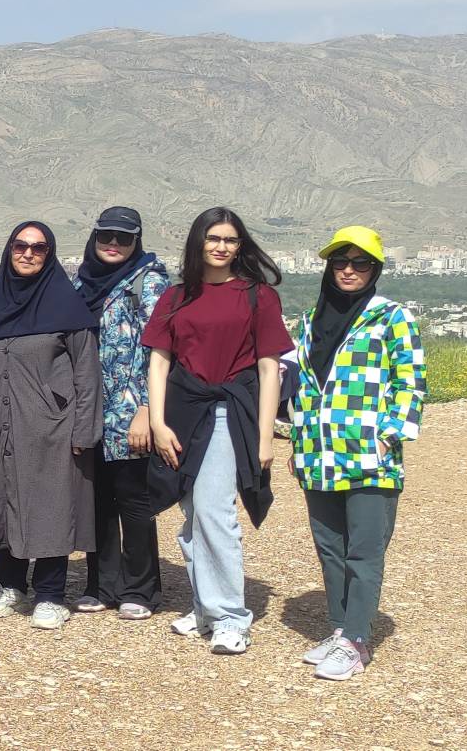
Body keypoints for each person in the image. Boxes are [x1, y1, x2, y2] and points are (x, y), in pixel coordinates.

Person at [143, 207, 292, 656]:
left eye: (230, 239)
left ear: (240, 245)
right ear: (198, 242)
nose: (221, 246)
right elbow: (159, 362)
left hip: (229, 411)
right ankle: (205, 607)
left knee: (214, 511)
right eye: (213, 238)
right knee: (192, 513)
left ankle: (230, 617)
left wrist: (264, 437)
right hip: (181, 412)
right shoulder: (175, 297)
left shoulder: (258, 296)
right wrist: (157, 422)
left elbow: (269, 370)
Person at [285, 226, 426, 680]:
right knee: (331, 549)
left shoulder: (392, 317)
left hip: (370, 458)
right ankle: (340, 628)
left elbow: (411, 382)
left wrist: (389, 436)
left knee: (364, 550)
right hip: (319, 455)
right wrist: (299, 441)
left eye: (360, 262)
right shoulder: (310, 320)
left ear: (375, 268)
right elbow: (303, 389)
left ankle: (357, 640)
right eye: (340, 262)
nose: (348, 270)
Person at [0, 221, 103, 630]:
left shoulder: (67, 307)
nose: (28, 253)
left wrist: (84, 430)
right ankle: (11, 586)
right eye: (20, 246)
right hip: (1, 425)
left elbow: (87, 374)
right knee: (5, 502)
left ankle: (50, 595)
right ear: (8, 250)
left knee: (51, 506)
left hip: (53, 427)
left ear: (49, 255)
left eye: (39, 247)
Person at [70, 206, 169, 620]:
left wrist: (147, 408)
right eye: (106, 236)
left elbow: (160, 349)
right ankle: (102, 585)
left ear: (136, 241)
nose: (113, 244)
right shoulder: (80, 282)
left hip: (131, 411)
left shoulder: (150, 282)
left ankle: (141, 590)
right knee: (97, 500)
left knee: (134, 501)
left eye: (123, 238)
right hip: (89, 409)